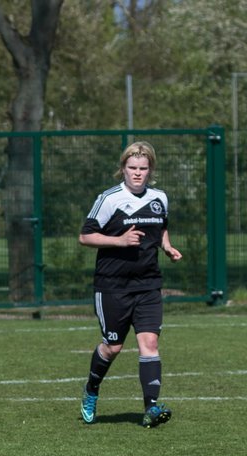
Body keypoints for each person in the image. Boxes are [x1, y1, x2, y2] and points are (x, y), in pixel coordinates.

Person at [78, 140, 181, 428]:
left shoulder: (160, 197)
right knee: (113, 347)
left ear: (151, 170)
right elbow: (85, 237)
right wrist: (119, 241)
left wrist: (168, 247)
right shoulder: (109, 199)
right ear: (123, 168)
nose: (137, 173)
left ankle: (151, 408)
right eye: (132, 168)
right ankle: (91, 390)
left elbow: (160, 227)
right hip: (112, 285)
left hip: (148, 284)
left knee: (149, 343)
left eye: (143, 168)